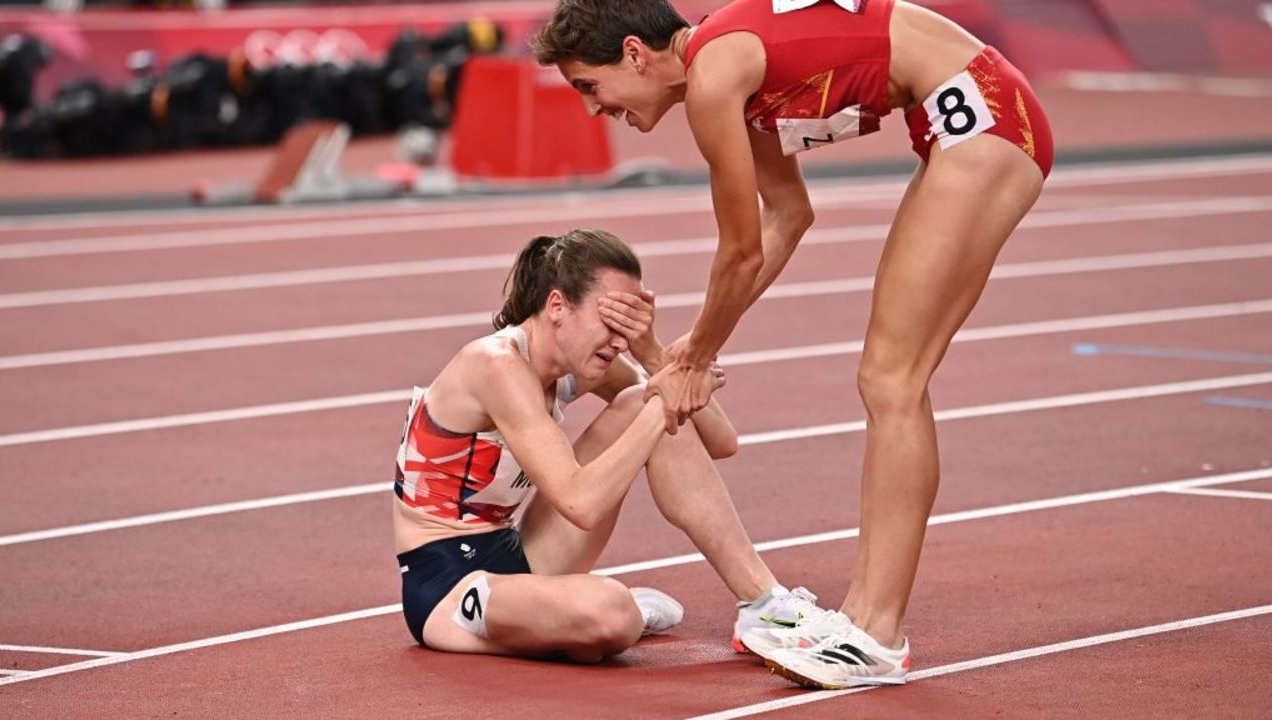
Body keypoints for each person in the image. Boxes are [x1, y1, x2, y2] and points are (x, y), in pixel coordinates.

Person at [534, 0, 1053, 687]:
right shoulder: (730, 81)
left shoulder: (716, 76)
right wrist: (697, 346)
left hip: (985, 117)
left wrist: (692, 358)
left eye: (589, 88)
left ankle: (878, 631)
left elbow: (741, 250)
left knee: (891, 380)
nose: (596, 111)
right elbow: (788, 215)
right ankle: (867, 619)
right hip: (962, 120)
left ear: (635, 53)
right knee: (889, 380)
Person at [394, 228, 821, 663]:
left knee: (642, 400)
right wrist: (664, 402)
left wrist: (653, 354)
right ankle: (582, 620)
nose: (620, 340)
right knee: (612, 612)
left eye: (630, 324)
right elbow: (581, 504)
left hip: (517, 553)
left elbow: (721, 441)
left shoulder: (579, 362)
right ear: (557, 306)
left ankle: (765, 604)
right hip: (448, 586)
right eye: (612, 321)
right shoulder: (497, 365)